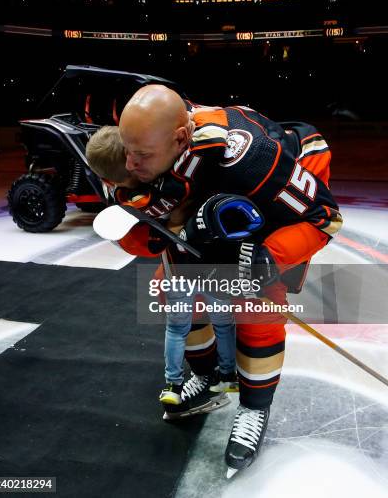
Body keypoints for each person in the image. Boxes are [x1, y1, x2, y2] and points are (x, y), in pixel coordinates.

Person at [118, 86, 343, 475]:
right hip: (203, 207)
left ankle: (255, 407)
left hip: (268, 207)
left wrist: (270, 256)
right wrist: (148, 228)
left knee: (257, 309)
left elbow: (327, 218)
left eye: (142, 156)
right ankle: (207, 374)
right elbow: (145, 231)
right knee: (176, 289)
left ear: (181, 138)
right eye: (127, 150)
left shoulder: (253, 161)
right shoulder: (146, 137)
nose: (129, 163)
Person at [86, 115, 238, 409]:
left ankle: (174, 383)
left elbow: (154, 241)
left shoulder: (127, 200)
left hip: (179, 267)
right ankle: (228, 375)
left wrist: (175, 224)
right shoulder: (176, 166)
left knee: (177, 328)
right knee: (223, 323)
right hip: (216, 262)